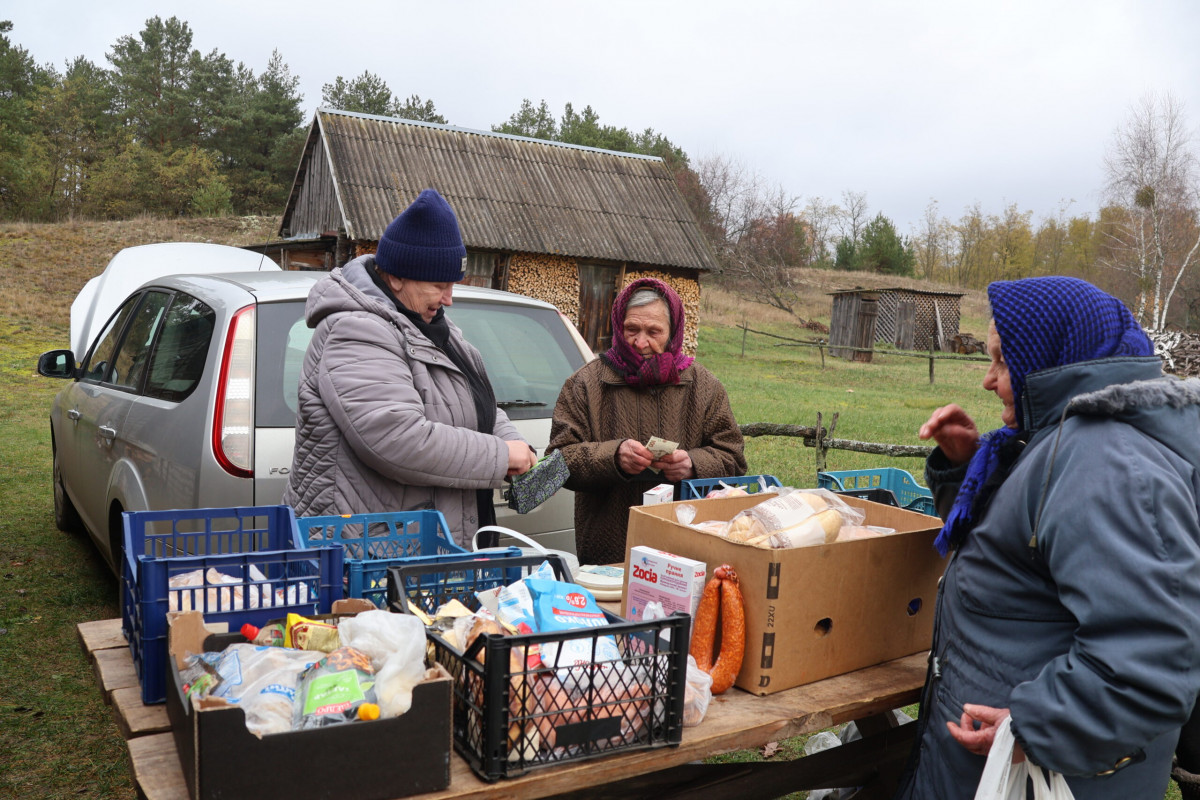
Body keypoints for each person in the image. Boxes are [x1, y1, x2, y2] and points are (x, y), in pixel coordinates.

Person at [892, 276, 1200, 799]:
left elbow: (1150, 660)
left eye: (1003, 362)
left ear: (1052, 360)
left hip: (1040, 778)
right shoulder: (1063, 440)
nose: (989, 381)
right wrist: (968, 466)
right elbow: (1015, 555)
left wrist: (1034, 730)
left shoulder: (1105, 462)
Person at [283, 188, 536, 548]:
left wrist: (511, 441)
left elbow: (475, 405)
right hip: (366, 550)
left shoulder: (434, 329)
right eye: (439, 285)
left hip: (417, 546)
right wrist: (498, 456)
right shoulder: (356, 330)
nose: (448, 299)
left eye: (452, 285)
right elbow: (397, 437)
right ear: (398, 277)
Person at [547, 277, 746, 566]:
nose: (640, 343)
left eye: (654, 331)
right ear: (618, 325)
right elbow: (557, 464)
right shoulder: (585, 384)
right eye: (631, 329)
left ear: (673, 331)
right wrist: (613, 457)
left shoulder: (704, 386)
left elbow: (734, 460)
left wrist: (693, 464)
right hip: (610, 552)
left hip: (687, 551)